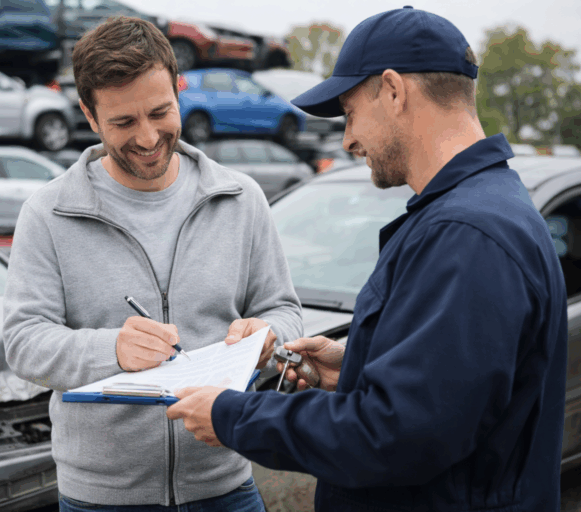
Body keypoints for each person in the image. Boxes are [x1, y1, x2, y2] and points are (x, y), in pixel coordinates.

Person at [167, 7, 567, 512]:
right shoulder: (477, 210)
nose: (347, 139)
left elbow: (398, 436)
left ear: (394, 90)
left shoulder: (466, 233)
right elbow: (449, 394)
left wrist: (234, 416)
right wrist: (356, 365)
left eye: (350, 112)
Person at [2, 15, 303, 511]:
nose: (146, 137)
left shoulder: (241, 198)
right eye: (123, 122)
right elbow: (23, 342)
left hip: (226, 486)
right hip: (101, 499)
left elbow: (285, 312)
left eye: (160, 112)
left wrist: (269, 339)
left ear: (179, 89)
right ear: (89, 115)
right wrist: (111, 350)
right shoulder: (48, 212)